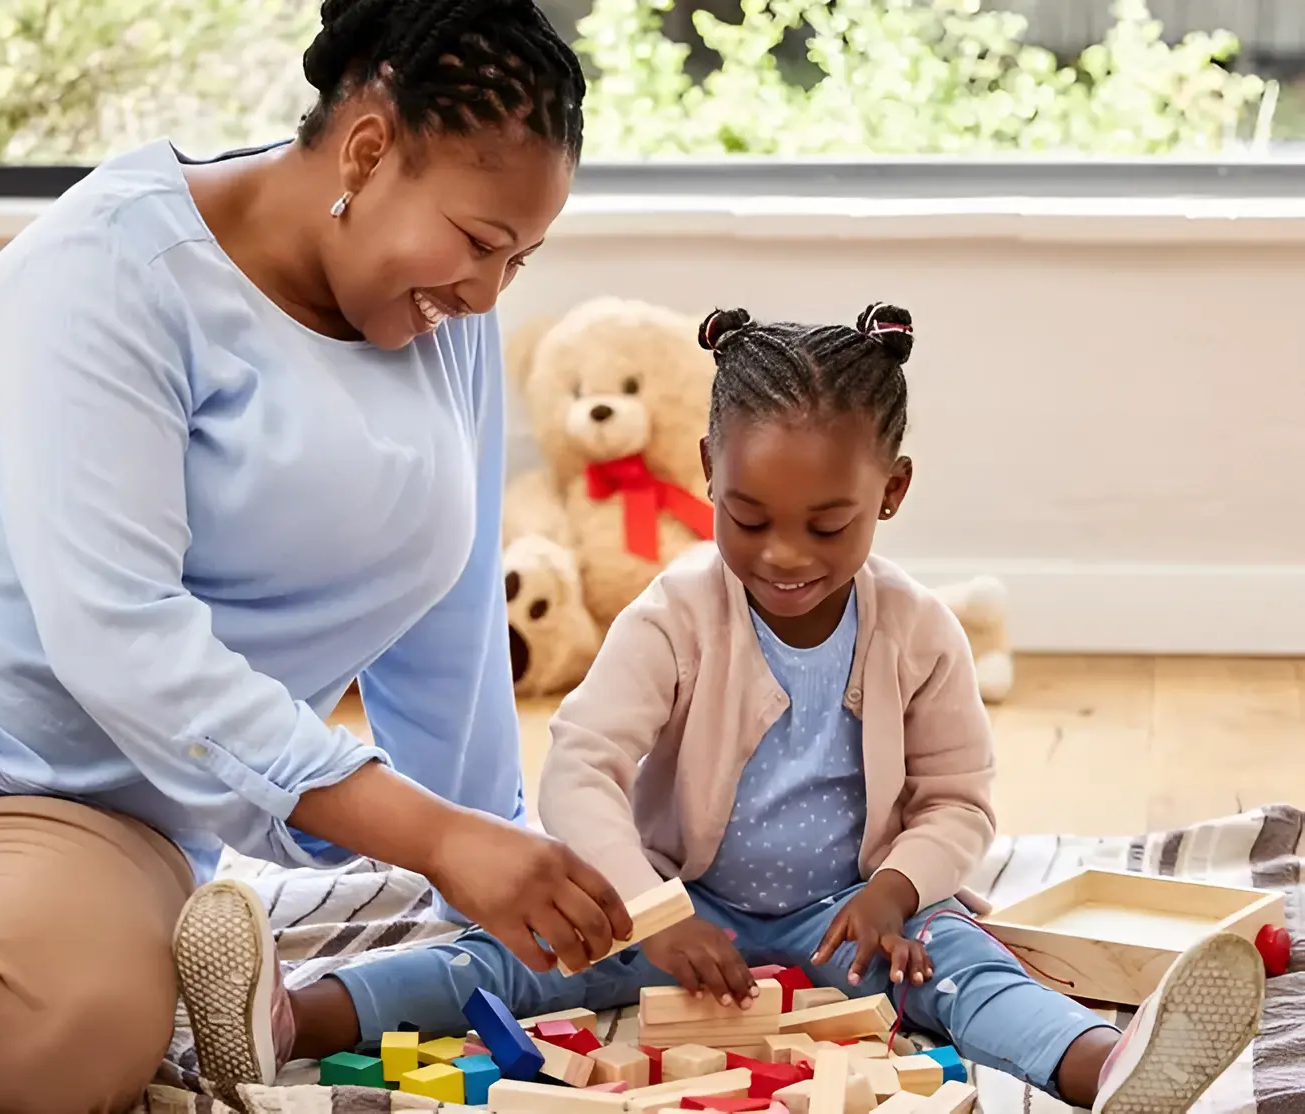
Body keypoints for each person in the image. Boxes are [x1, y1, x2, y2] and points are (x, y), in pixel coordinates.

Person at [0, 2, 635, 1110]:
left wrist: (494, 854)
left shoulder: (450, 329)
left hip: (111, 804)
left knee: (77, 1033)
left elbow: (445, 619)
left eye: (520, 257)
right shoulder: (107, 259)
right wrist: (433, 836)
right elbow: (121, 633)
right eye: (479, 242)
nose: (489, 290)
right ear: (366, 149)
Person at [182, 304, 1268, 1112]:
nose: (784, 557)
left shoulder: (918, 628)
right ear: (706, 472)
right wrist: (655, 911)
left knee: (959, 966)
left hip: (844, 912)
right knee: (502, 954)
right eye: (747, 519)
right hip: (672, 902)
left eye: (828, 525)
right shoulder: (676, 613)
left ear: (890, 491)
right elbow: (580, 769)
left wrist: (894, 890)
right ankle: (290, 1014)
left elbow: (960, 802)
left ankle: (1104, 1066)